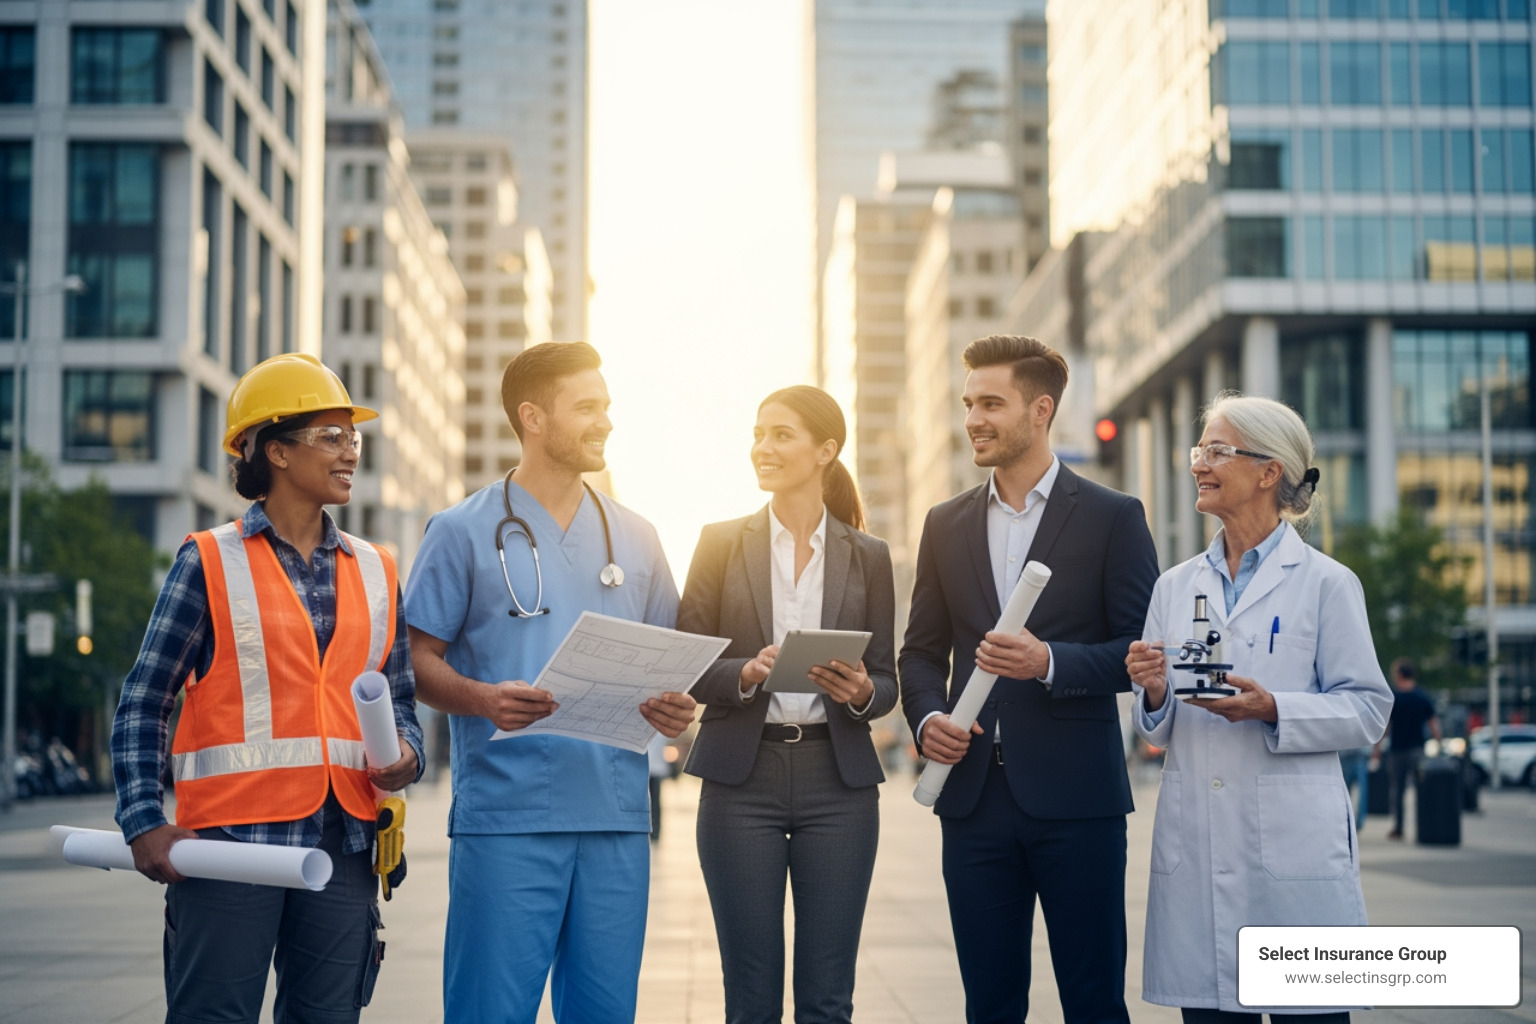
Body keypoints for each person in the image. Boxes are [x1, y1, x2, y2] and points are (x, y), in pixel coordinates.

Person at [111, 352, 424, 1023]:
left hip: (341, 849)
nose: (350, 453)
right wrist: (143, 820)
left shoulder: (377, 569)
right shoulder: (209, 560)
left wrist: (408, 754)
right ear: (276, 451)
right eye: (331, 437)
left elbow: (400, 697)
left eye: (354, 438)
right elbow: (146, 696)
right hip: (229, 846)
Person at [402, 341, 696, 1023]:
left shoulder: (638, 538)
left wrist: (680, 708)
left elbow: (675, 666)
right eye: (588, 407)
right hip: (507, 821)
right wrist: (482, 699)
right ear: (532, 417)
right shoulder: (460, 531)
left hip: (616, 820)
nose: (606, 422)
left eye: (607, 407)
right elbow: (415, 660)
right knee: (489, 1013)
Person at [900, 335, 1158, 1024]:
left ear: (1040, 410)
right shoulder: (944, 524)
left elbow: (1141, 652)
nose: (974, 419)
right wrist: (929, 722)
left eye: (992, 403)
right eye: (968, 404)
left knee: (1095, 1001)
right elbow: (920, 654)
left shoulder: (1113, 517)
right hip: (974, 801)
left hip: (1079, 800)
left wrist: (1051, 662)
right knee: (989, 1004)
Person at [1125, 393, 1393, 1024]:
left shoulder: (1327, 583)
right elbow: (1156, 725)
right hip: (1198, 845)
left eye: (1218, 451)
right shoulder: (1174, 586)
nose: (1199, 464)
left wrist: (1275, 708)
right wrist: (1154, 688)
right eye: (1200, 450)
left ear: (1270, 471)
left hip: (1293, 856)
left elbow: (1368, 709)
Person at [678, 385, 898, 1024]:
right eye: (757, 433)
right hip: (740, 783)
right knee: (750, 997)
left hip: (840, 785)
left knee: (829, 998)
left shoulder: (869, 556)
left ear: (825, 449)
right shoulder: (720, 542)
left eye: (780, 434)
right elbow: (689, 665)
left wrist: (861, 693)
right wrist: (744, 674)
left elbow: (883, 678)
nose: (762, 448)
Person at [1381, 657, 1441, 840]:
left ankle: (1398, 828)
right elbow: (1434, 724)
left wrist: (1376, 748)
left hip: (1397, 749)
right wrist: (1439, 743)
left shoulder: (1394, 698)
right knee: (1423, 789)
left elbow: (1386, 727)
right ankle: (1426, 826)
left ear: (1399, 675)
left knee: (1397, 791)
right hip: (1417, 750)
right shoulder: (1422, 697)